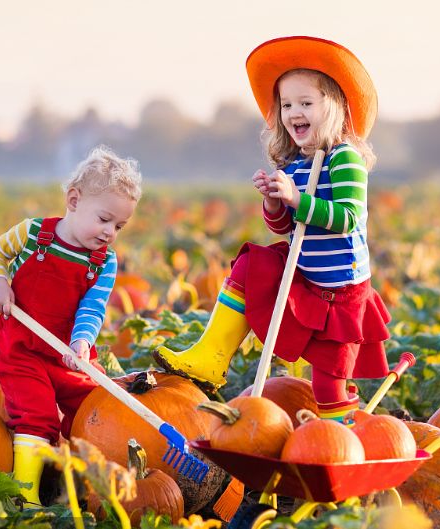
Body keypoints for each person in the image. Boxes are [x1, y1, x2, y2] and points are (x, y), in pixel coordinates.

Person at [154, 36, 391, 422]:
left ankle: (339, 440)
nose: (293, 111)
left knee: (328, 386)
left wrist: (298, 200)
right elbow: (286, 229)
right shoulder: (296, 163)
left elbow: (346, 217)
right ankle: (210, 356)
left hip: (341, 295)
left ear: (334, 107)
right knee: (252, 264)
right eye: (286, 104)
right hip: (308, 279)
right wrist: (275, 202)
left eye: (306, 103)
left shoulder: (345, 158)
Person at [0, 145, 142, 505]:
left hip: (68, 351)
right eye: (104, 220)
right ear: (73, 200)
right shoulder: (33, 233)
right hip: (21, 348)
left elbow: (92, 307)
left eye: (119, 226)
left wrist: (82, 343)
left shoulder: (104, 261)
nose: (109, 232)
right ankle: (27, 495)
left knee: (95, 409)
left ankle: (89, 485)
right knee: (36, 413)